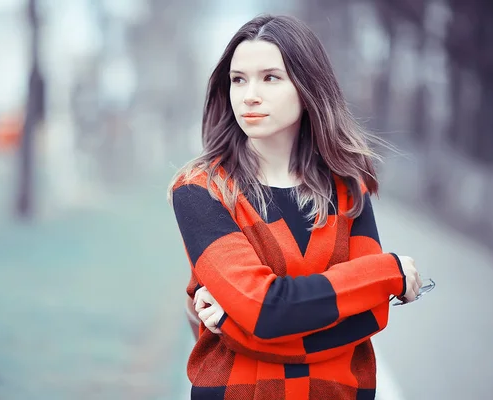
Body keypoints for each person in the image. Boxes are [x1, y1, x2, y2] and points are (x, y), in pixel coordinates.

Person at [168, 14, 422, 400]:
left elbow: (369, 316)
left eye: (270, 77)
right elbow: (266, 312)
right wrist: (387, 273)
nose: (250, 94)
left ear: (307, 88)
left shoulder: (349, 188)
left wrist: (235, 324)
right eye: (239, 79)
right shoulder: (201, 190)